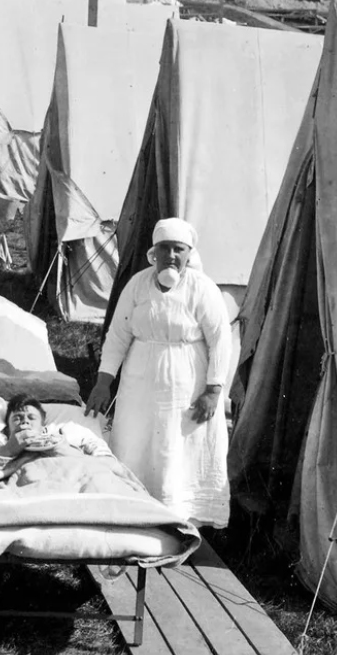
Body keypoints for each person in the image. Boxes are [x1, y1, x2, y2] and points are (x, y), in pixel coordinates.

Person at [85, 217, 233, 528]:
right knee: (135, 441)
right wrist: (103, 382)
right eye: (164, 249)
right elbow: (117, 334)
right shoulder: (138, 284)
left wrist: (213, 391)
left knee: (175, 448)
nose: (171, 256)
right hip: (139, 383)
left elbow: (221, 339)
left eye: (178, 249)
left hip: (186, 387)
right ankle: (131, 511)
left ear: (188, 253)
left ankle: (176, 520)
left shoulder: (202, 288)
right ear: (154, 253)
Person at [0, 395, 112, 492]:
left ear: (43, 426)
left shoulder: (62, 433)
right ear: (7, 428)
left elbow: (98, 450)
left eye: (31, 418)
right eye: (17, 418)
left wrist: (61, 448)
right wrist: (10, 449)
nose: (25, 422)